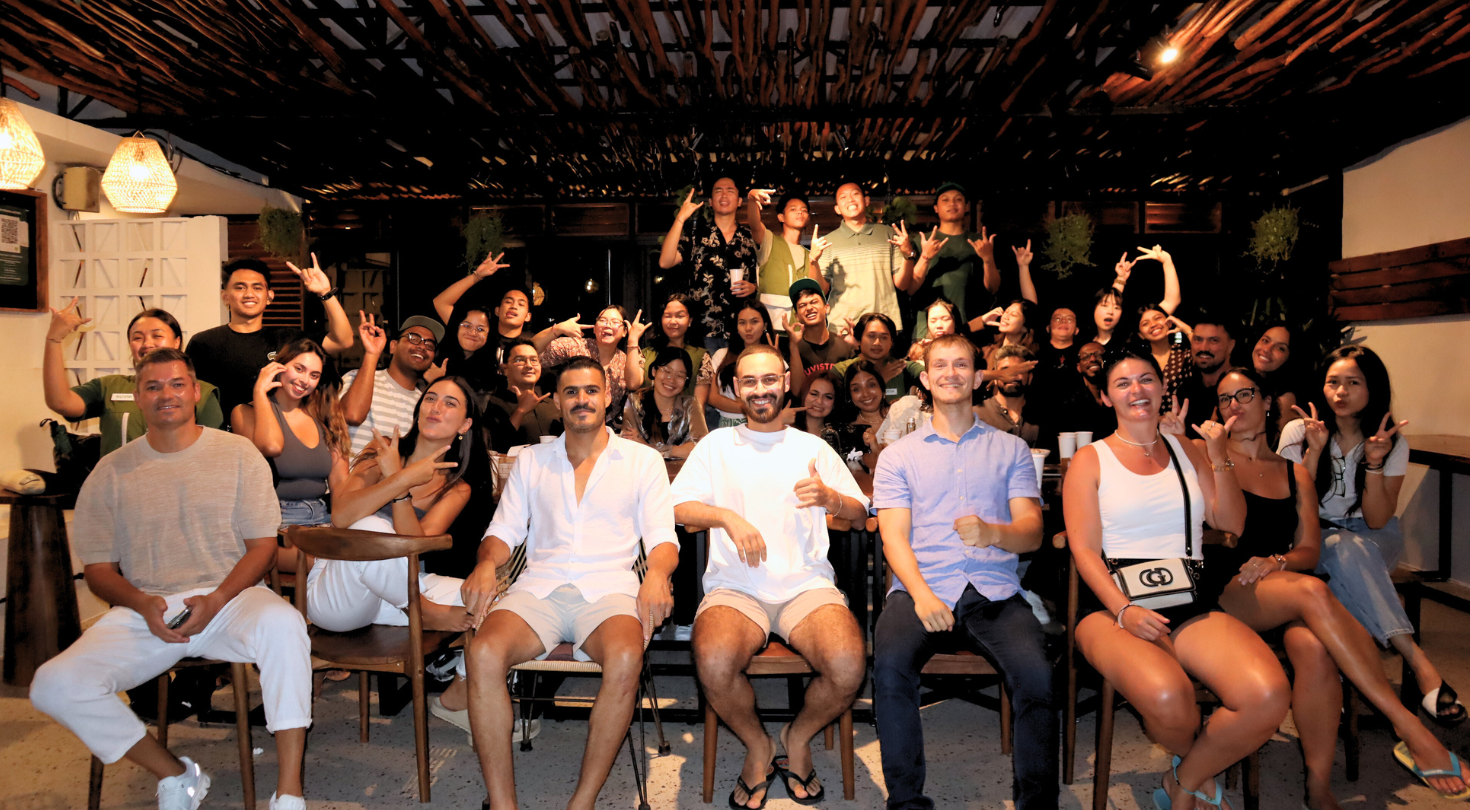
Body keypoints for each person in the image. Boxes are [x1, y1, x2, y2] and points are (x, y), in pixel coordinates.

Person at [29, 348, 311, 810]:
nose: (167, 394)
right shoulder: (110, 472)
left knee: (286, 626)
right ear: (138, 397)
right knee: (53, 684)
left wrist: (217, 598)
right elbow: (99, 571)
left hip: (232, 598)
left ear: (196, 392)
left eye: (177, 384)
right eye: (153, 386)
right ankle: (176, 774)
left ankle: (289, 792)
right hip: (150, 608)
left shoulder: (239, 454)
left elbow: (262, 549)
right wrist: (141, 603)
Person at [1208, 367, 1467, 806]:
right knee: (1313, 592)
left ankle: (1317, 786)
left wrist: (1277, 561)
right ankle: (1409, 727)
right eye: (1224, 398)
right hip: (1231, 586)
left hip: (1284, 584)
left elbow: (1309, 550)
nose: (1235, 405)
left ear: (1267, 402)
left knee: (1315, 648)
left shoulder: (1295, 473)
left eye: (1245, 394)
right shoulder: (1206, 454)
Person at [1063, 347, 1290, 810]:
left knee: (1268, 694)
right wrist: (1124, 611)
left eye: (1146, 379)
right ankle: (1198, 766)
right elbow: (1083, 550)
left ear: (1163, 387)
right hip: (1111, 603)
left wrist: (1218, 454)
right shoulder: (1090, 459)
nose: (1137, 390)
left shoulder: (1188, 449)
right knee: (1170, 696)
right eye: (1122, 383)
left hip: (1189, 597)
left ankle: (1183, 781)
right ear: (1106, 397)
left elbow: (1232, 522)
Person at [458, 355, 679, 810]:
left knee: (625, 657)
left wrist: (657, 574)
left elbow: (662, 538)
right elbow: (503, 532)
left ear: (608, 396)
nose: (582, 400)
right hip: (539, 586)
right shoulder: (532, 460)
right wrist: (485, 565)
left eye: (591, 390)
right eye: (572, 392)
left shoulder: (641, 461)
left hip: (610, 590)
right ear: (557, 401)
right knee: (482, 653)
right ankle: (502, 803)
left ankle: (583, 802)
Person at [671, 344, 870, 809]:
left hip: (806, 586)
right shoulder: (716, 446)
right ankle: (758, 744)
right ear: (736, 388)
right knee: (713, 661)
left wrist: (831, 499)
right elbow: (676, 507)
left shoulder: (812, 447)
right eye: (749, 382)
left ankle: (796, 737)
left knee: (848, 666)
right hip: (736, 588)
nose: (759, 390)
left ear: (784, 382)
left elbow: (860, 514)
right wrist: (726, 517)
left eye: (768, 380)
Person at [873, 334, 1055, 810]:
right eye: (940, 365)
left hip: (994, 592)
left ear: (977, 378)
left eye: (961, 365)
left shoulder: (1011, 449)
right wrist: (921, 595)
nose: (950, 373)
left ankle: (1037, 804)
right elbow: (894, 537)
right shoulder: (898, 455)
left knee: (1036, 676)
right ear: (926, 379)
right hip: (921, 587)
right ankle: (907, 803)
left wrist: (993, 532)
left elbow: (1032, 534)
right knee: (890, 669)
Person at [1277, 346, 1469, 734]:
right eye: (1333, 382)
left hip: (1375, 536)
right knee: (1344, 552)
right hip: (1314, 531)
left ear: (1372, 388)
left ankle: (1345, 676)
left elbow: (1378, 519)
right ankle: (1416, 662)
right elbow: (1293, 505)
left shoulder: (1393, 443)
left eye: (1353, 382)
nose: (1340, 392)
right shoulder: (1298, 431)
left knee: (1351, 553)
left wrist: (1376, 463)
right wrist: (1313, 452)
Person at [311, 378, 487, 729]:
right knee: (371, 528)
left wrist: (400, 488)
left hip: (398, 589)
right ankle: (422, 610)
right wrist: (399, 477)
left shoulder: (456, 485)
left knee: (491, 601)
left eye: (450, 403)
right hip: (340, 596)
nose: (436, 407)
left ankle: (456, 694)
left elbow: (415, 546)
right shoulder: (381, 452)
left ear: (465, 425)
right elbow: (342, 516)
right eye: (430, 398)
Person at [44, 303, 224, 458]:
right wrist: (54, 339)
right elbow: (61, 402)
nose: (147, 344)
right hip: (120, 484)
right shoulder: (109, 386)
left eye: (157, 336)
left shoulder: (201, 392)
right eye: (137, 337)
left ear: (177, 342)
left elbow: (213, 453)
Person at [186, 256, 354, 418]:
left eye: (257, 288)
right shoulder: (204, 343)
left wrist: (325, 293)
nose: (249, 294)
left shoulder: (288, 340)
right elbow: (189, 397)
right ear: (225, 297)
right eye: (240, 287)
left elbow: (342, 340)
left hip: (278, 434)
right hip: (222, 436)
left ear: (269, 297)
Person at [230, 338, 350, 532]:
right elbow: (271, 446)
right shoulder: (245, 413)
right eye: (299, 369)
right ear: (278, 367)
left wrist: (340, 529)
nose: (305, 380)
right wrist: (260, 391)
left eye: (314, 375)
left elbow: (341, 485)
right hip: (276, 519)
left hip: (322, 517)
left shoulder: (323, 417)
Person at [660, 178, 760, 350]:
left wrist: (754, 287)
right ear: (711, 202)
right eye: (718, 190)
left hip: (741, 329)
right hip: (702, 329)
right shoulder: (696, 234)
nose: (724, 194)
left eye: (730, 190)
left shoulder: (750, 237)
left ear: (739, 201)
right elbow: (665, 261)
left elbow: (764, 275)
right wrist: (681, 218)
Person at [807, 181, 915, 331]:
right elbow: (821, 291)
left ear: (866, 200)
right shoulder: (827, 242)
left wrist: (908, 254)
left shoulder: (888, 234)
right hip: (843, 327)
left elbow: (902, 284)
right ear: (837, 209)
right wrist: (813, 260)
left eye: (855, 194)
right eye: (843, 197)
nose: (850, 199)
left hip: (884, 323)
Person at [900, 183, 1001, 340]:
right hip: (928, 330)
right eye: (945, 200)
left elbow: (993, 288)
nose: (952, 204)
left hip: (970, 328)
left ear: (966, 206)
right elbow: (910, 289)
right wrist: (925, 257)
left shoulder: (980, 242)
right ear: (936, 208)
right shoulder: (921, 241)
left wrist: (988, 259)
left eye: (958, 199)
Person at [341, 314, 443, 456]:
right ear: (393, 346)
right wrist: (372, 354)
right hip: (348, 470)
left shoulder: (425, 404)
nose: (421, 346)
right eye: (413, 338)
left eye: (429, 345)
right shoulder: (358, 378)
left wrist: (440, 385)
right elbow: (352, 416)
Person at [431, 253, 527, 391]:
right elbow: (441, 303)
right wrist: (476, 276)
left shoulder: (492, 373)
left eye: (481, 329)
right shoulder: (436, 364)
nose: (473, 332)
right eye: (466, 325)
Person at [534, 304, 645, 423]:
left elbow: (633, 384)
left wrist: (633, 341)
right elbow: (532, 351)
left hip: (608, 426)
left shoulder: (628, 359)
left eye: (615, 322)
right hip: (572, 420)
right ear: (594, 328)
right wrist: (557, 329)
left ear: (624, 331)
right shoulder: (576, 346)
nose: (608, 325)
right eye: (603, 320)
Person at [622, 347, 710, 458]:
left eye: (680, 375)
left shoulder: (690, 404)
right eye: (667, 371)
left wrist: (647, 446)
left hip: (681, 469)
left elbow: (702, 448)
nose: (671, 380)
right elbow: (629, 445)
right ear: (654, 371)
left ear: (685, 381)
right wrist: (679, 450)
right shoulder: (635, 402)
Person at [705, 301, 779, 428]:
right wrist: (753, 407)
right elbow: (713, 398)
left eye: (754, 322)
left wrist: (774, 360)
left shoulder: (775, 358)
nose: (748, 328)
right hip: (727, 426)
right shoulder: (722, 355)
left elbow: (779, 397)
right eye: (742, 323)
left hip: (763, 424)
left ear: (765, 325)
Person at [746, 191, 811, 332]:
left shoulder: (811, 255)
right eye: (793, 209)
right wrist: (752, 200)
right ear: (781, 217)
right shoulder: (770, 242)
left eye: (804, 210)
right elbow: (755, 225)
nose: (799, 212)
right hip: (771, 328)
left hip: (801, 331)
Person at [830, 312, 924, 404]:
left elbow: (929, 379)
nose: (877, 343)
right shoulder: (841, 370)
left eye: (884, 337)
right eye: (871, 336)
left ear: (891, 342)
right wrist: (879, 380)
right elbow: (840, 408)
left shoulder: (902, 367)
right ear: (859, 339)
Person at [486, 338, 563, 446]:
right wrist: (521, 410)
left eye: (534, 360)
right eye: (519, 360)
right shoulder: (492, 404)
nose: (529, 365)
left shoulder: (553, 405)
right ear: (505, 369)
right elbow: (496, 445)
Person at [640, 292, 709, 399]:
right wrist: (632, 342)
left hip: (684, 410)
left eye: (679, 316)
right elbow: (632, 385)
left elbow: (699, 404)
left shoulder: (701, 357)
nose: (673, 321)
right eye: (668, 316)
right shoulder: (646, 354)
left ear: (690, 321)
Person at [1174, 317, 1238, 433]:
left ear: (1231, 346)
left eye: (1213, 340)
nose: (1203, 348)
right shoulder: (1186, 390)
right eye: (1198, 340)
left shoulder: (1240, 391)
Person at [784, 278, 855, 374]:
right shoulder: (793, 350)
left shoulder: (845, 345)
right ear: (796, 316)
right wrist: (794, 347)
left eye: (814, 302)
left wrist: (857, 346)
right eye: (802, 305)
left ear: (827, 308)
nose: (809, 308)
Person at [974, 345, 1040, 447]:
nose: (1012, 376)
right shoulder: (976, 415)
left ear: (1030, 378)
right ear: (995, 377)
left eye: (1019, 371)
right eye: (1006, 371)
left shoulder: (1042, 414)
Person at [1136, 303, 1193, 413]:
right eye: (1145, 323)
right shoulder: (1140, 362)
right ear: (1140, 334)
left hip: (1186, 419)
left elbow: (1204, 350)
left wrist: (1186, 329)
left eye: (1157, 318)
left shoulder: (1184, 353)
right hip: (1150, 420)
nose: (1153, 324)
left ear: (1169, 322)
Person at [1251, 324, 1300, 432]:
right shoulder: (1234, 379)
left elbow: (1273, 441)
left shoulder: (1285, 398)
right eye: (1265, 341)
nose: (1267, 349)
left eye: (1280, 348)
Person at [976, 299, 1040, 371]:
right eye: (1006, 312)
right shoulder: (987, 351)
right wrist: (982, 320)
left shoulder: (1028, 360)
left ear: (1025, 327)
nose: (1005, 317)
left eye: (1013, 315)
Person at [905, 296, 965, 362]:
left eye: (945, 319)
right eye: (933, 321)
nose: (939, 325)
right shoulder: (921, 350)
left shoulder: (966, 349)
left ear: (955, 322)